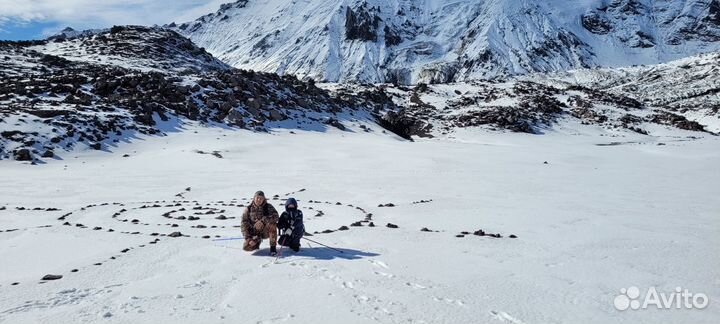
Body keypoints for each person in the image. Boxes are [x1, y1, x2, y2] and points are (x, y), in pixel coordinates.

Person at [241, 191, 279, 256]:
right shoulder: (248, 209)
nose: (259, 200)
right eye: (257, 198)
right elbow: (244, 224)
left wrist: (263, 221)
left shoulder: (269, 207)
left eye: (261, 198)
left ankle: (273, 248)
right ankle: (256, 243)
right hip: (255, 233)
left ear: (264, 199)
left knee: (272, 224)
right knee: (246, 247)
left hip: (265, 231)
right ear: (254, 198)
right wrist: (248, 238)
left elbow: (276, 217)